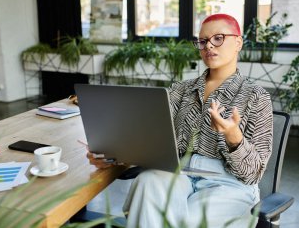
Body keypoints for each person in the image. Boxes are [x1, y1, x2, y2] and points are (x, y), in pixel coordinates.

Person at [87, 13, 273, 228]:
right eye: (202, 41)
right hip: (179, 172)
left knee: (190, 221)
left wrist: (234, 138)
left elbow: (253, 174)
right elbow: (150, 139)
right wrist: (114, 154)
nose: (209, 46)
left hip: (229, 183)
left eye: (218, 38)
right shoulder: (180, 90)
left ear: (238, 42)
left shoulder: (256, 96)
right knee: (147, 183)